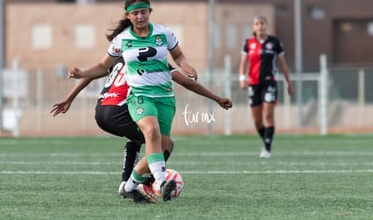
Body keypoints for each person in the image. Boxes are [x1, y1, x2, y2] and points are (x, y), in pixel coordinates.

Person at [67, 0, 198, 203]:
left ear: (150, 12)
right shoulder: (123, 43)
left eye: (143, 12)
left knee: (154, 140)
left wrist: (186, 65)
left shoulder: (162, 36)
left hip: (123, 106)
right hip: (128, 102)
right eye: (135, 13)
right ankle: (156, 182)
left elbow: (100, 71)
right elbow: (101, 67)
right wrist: (80, 75)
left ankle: (130, 185)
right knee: (154, 136)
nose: (140, 16)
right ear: (128, 16)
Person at [51, 56, 232, 202]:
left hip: (101, 112)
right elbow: (189, 83)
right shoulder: (155, 61)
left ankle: (129, 182)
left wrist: (69, 98)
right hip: (120, 109)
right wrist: (216, 98)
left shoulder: (120, 57)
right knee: (164, 143)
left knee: (139, 138)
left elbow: (91, 75)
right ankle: (142, 184)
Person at [239, 15, 294, 159]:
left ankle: (267, 149)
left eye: (262, 23)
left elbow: (282, 64)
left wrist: (289, 83)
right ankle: (267, 139)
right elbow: (243, 63)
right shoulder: (248, 43)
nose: (260, 26)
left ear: (267, 25)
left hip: (269, 83)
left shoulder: (275, 42)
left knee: (268, 116)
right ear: (253, 27)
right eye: (256, 24)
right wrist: (242, 78)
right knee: (257, 121)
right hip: (253, 84)